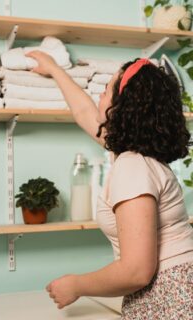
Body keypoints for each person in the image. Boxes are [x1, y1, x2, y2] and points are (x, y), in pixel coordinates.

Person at [26, 51, 193, 319]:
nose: (99, 98)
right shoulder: (141, 155)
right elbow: (85, 113)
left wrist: (76, 285)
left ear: (122, 106)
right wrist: (55, 70)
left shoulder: (132, 166)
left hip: (171, 299)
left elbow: (137, 270)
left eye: (105, 91)